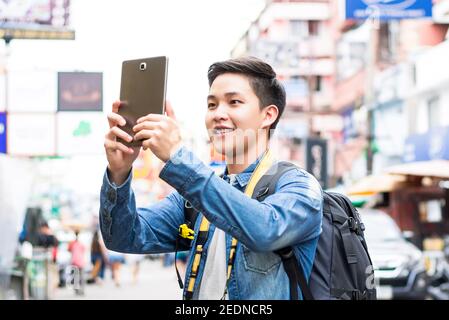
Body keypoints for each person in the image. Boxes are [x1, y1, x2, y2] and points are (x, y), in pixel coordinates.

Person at [100, 56, 323, 299]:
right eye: (212, 105)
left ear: (268, 115)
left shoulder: (299, 186)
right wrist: (119, 173)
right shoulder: (191, 198)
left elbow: (265, 230)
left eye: (234, 102)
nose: (218, 114)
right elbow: (124, 237)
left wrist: (178, 158)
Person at [67, 230, 86, 295]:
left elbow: (68, 250)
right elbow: (84, 250)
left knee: (75, 277)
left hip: (74, 262)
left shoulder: (72, 243)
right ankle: (82, 290)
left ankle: (76, 290)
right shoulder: (81, 243)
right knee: (81, 277)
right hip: (81, 262)